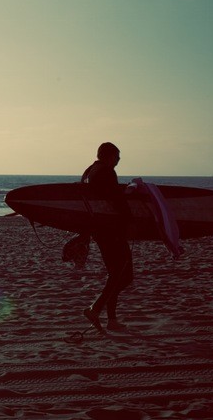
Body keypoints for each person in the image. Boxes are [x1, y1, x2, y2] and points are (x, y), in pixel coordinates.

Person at [81, 142, 133, 333]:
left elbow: (104, 194)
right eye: (117, 156)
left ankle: (111, 319)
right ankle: (96, 309)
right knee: (125, 275)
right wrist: (130, 219)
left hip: (100, 231)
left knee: (116, 274)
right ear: (109, 156)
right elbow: (116, 201)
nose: (119, 159)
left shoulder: (90, 171)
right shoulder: (107, 171)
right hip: (112, 231)